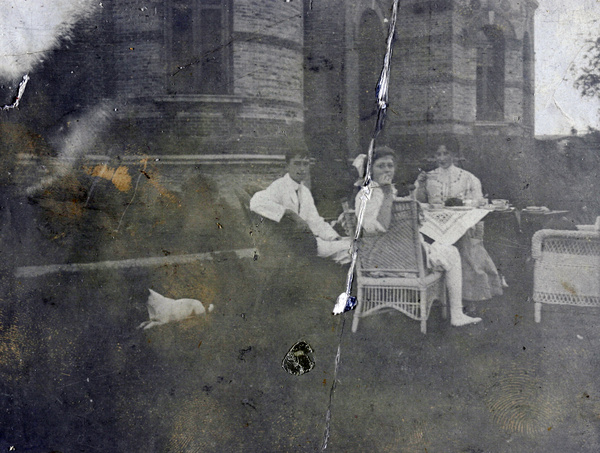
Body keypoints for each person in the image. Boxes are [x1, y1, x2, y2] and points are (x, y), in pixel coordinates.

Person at [354, 146, 481, 327]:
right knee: (451, 252)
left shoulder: (382, 192)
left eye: (390, 165)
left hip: (387, 258)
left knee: (441, 246)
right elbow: (380, 227)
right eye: (381, 166)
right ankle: (457, 313)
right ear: (370, 170)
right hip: (392, 261)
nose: (387, 170)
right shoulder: (370, 194)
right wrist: (389, 192)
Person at [414, 139, 503, 301]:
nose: (442, 158)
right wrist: (420, 185)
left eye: (446, 153)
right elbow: (419, 201)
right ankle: (436, 293)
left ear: (454, 155)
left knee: (464, 243)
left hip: (461, 226)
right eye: (438, 154)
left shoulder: (468, 178)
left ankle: (468, 295)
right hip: (432, 227)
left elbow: (477, 203)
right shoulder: (429, 177)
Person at [250, 147, 351, 264]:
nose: (302, 169)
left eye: (305, 164)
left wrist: (334, 237)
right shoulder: (279, 186)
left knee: (350, 249)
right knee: (350, 250)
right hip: (288, 244)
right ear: (287, 166)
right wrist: (288, 213)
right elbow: (256, 202)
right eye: (297, 164)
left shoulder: (305, 191)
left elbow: (315, 221)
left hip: (307, 241)